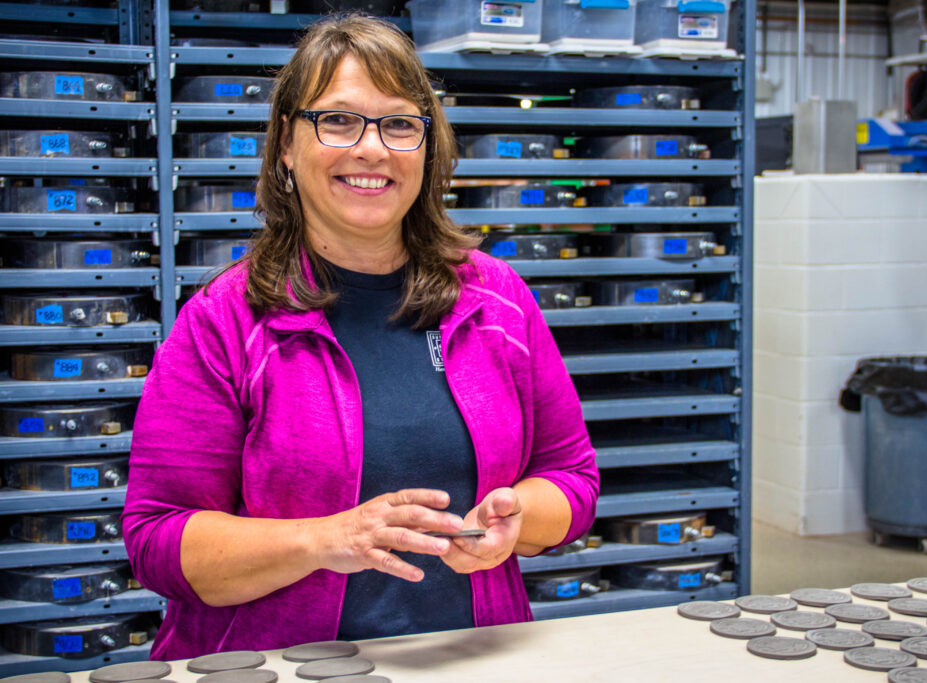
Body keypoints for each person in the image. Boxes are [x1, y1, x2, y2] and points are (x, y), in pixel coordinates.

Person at [123, 13, 599, 659]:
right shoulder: (226, 319)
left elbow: (570, 477)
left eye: (400, 124)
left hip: (468, 657)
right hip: (280, 666)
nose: (371, 149)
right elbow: (159, 541)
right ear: (287, 145)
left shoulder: (497, 301)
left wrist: (518, 520)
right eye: (338, 120)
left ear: (429, 149)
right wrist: (325, 539)